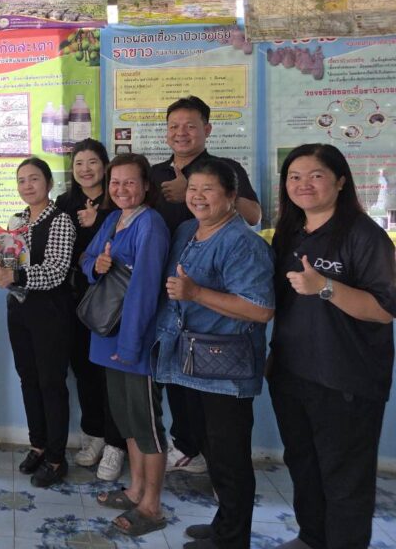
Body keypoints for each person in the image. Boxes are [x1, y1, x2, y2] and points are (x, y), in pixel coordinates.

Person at [268, 144, 396, 549]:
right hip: (291, 373)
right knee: (303, 465)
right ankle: (312, 538)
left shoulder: (364, 235)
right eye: (294, 177)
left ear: (341, 181)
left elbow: (384, 310)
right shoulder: (289, 233)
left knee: (345, 479)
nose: (303, 184)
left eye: (316, 175)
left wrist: (325, 286)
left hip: (345, 379)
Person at [154, 159, 275, 549]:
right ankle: (225, 525)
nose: (198, 196)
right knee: (210, 448)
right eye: (193, 188)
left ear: (231, 196)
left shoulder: (243, 243)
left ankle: (232, 539)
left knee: (230, 458)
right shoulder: (187, 231)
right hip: (190, 360)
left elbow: (260, 309)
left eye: (209, 189)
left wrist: (196, 294)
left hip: (225, 368)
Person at [151, 95, 261, 476]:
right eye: (174, 126)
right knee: (175, 377)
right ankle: (187, 448)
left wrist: (192, 190)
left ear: (207, 129)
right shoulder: (155, 173)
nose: (181, 133)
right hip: (168, 293)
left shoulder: (225, 169)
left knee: (214, 393)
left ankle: (222, 472)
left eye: (190, 126)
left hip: (214, 299)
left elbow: (254, 215)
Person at [81, 153, 170, 538]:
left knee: (147, 426)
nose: (121, 189)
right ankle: (135, 490)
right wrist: (95, 266)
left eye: (130, 182)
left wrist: (132, 346)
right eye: (115, 183)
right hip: (109, 337)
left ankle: (152, 505)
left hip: (135, 341)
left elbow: (145, 291)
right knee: (128, 422)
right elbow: (87, 258)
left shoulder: (151, 224)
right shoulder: (114, 219)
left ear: (146, 186)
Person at [0, 157, 75, 487]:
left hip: (50, 313)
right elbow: (7, 261)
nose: (27, 186)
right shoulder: (16, 220)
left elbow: (56, 270)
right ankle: (38, 445)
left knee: (51, 383)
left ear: (49, 183)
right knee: (28, 379)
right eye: (21, 180)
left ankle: (56, 458)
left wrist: (16, 276)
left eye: (34, 179)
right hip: (19, 312)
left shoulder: (60, 220)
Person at [54, 139, 128, 482]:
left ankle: (116, 444)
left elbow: (124, 248)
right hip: (74, 299)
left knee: (110, 374)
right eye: (79, 163)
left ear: (105, 165)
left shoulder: (120, 201)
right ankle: (94, 433)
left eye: (92, 162)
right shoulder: (64, 203)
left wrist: (99, 221)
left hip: (111, 300)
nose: (85, 169)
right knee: (82, 369)